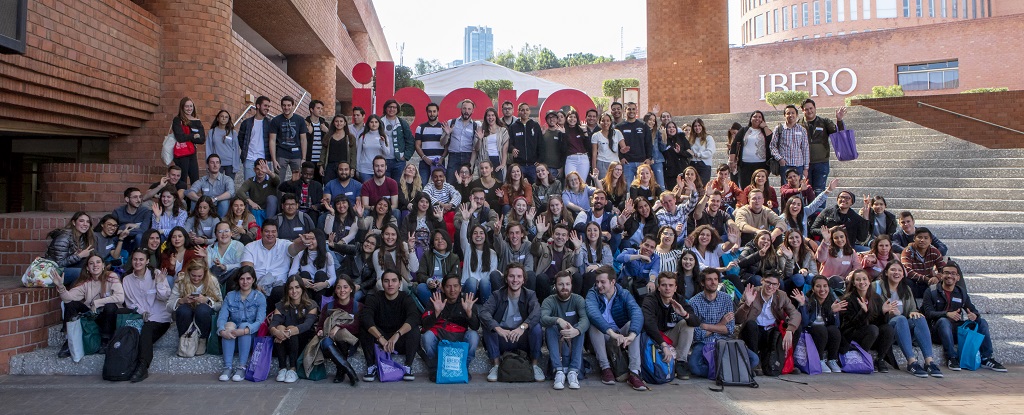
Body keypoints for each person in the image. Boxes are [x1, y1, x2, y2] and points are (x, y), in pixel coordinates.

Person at [921, 262, 1006, 372]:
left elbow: (972, 309)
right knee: (943, 321)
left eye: (953, 273)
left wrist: (974, 315)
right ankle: (951, 357)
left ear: (957, 277)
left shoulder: (961, 292)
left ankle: (986, 358)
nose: (949, 276)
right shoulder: (931, 291)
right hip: (937, 331)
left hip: (956, 330)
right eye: (946, 273)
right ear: (941, 275)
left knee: (981, 322)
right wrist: (946, 314)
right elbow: (928, 313)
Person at [872, 262, 942, 378]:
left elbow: (912, 309)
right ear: (886, 272)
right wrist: (885, 312)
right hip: (885, 328)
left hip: (903, 328)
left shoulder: (906, 289)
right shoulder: (876, 286)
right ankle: (911, 362)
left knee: (919, 318)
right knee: (900, 319)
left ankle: (929, 362)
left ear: (903, 274)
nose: (896, 273)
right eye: (893, 270)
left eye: (899, 270)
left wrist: (913, 312)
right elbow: (871, 312)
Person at [584, 265, 648, 391]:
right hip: (603, 336)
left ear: (612, 282)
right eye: (597, 282)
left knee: (633, 325)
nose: (599, 285)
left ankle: (634, 372)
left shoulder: (623, 293)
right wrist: (613, 334)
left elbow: (636, 312)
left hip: (620, 333)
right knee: (594, 324)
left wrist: (631, 335)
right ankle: (605, 368)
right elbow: (593, 313)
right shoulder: (592, 294)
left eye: (603, 282)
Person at [479, 263, 545, 382]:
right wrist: (497, 328)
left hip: (522, 337)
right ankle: (496, 365)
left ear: (524, 280)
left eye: (519, 276)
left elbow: (536, 313)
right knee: (488, 326)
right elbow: (484, 313)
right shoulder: (497, 295)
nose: (515, 280)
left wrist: (522, 327)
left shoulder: (530, 295)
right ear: (506, 278)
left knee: (536, 327)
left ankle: (535, 365)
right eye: (511, 276)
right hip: (503, 337)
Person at [688, 268, 758, 377]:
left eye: (716, 279)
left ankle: (720, 370)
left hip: (725, 341)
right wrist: (721, 325)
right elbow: (697, 334)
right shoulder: (694, 302)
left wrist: (705, 326)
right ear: (702, 283)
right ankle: (731, 370)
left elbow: (729, 329)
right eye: (709, 279)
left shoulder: (726, 299)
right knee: (694, 367)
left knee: (754, 359)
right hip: (703, 342)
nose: (713, 282)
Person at [53, 254, 123, 358]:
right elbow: (68, 298)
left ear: (103, 265)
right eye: (91, 263)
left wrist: (97, 302)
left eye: (98, 262)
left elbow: (120, 297)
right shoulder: (85, 282)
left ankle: (105, 340)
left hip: (109, 318)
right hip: (92, 316)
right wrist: (61, 287)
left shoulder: (111, 276)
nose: (95, 265)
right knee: (71, 304)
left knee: (110, 306)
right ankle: (69, 341)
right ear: (87, 268)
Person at [359, 269, 421, 381]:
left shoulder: (406, 298)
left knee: (414, 329)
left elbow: (414, 317)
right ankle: (371, 366)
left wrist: (397, 334)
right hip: (379, 341)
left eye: (394, 280)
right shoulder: (374, 298)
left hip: (398, 341)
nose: (390, 284)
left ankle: (408, 366)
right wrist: (380, 337)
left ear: (400, 283)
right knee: (364, 328)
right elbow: (366, 318)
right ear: (382, 283)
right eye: (386, 281)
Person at [121, 249, 172, 382]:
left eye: (141, 259)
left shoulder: (156, 274)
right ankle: (132, 368)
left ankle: (142, 367)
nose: (138, 262)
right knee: (137, 337)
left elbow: (165, 297)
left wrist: (160, 283)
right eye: (135, 259)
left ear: (147, 261)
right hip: (140, 318)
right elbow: (130, 303)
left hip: (160, 319)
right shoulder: (127, 279)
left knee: (146, 331)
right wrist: (141, 312)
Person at [735, 272, 801, 371]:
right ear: (762, 281)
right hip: (753, 332)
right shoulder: (751, 292)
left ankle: (784, 362)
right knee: (750, 325)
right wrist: (747, 304)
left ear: (778, 285)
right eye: (768, 282)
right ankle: (756, 363)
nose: (771, 287)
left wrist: (789, 330)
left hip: (771, 332)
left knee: (796, 327)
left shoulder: (781, 295)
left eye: (774, 284)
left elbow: (795, 314)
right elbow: (738, 319)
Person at [642, 272, 702, 380]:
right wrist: (663, 345)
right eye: (664, 285)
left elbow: (696, 322)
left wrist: (685, 314)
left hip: (670, 335)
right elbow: (649, 324)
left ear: (675, 288)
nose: (667, 288)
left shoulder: (679, 299)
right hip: (653, 336)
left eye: (671, 285)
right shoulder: (650, 300)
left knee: (687, 324)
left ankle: (680, 362)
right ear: (658, 287)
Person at [421, 274, 480, 382]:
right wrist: (436, 313)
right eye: (448, 286)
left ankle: (463, 368)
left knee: (474, 336)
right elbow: (425, 325)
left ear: (460, 287)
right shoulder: (436, 299)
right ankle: (436, 369)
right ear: (442, 288)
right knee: (427, 337)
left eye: (456, 286)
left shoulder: (466, 300)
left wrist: (469, 313)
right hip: (441, 336)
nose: (452, 290)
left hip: (460, 336)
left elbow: (475, 326)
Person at [216, 265, 266, 382]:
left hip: (250, 333)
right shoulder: (230, 296)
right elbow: (222, 317)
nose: (245, 282)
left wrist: (245, 331)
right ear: (238, 280)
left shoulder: (259, 297)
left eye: (248, 279)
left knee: (245, 325)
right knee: (228, 325)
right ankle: (227, 367)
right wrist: (222, 330)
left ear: (253, 280)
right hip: (233, 333)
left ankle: (242, 366)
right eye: (242, 279)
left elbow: (260, 321)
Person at [840, 269, 896, 373]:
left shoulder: (875, 298)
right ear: (853, 283)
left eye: (864, 279)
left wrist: (883, 312)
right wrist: (863, 312)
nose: (862, 282)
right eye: (858, 280)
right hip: (853, 334)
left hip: (871, 334)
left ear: (869, 281)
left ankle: (880, 359)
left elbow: (879, 322)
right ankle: (862, 357)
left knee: (887, 328)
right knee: (873, 329)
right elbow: (849, 324)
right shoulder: (848, 299)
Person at [541, 270, 590, 390]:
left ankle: (574, 371)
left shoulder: (578, 299)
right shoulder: (549, 300)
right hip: (556, 340)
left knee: (580, 328)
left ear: (571, 285)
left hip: (573, 341)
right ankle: (558, 371)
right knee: (550, 328)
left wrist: (576, 331)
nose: (564, 288)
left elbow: (585, 319)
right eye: (561, 284)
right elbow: (542, 318)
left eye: (567, 284)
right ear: (555, 286)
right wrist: (558, 320)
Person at [241, 220, 302, 311]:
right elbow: (247, 269)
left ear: (277, 233)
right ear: (261, 232)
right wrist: (254, 285)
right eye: (267, 231)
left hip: (279, 285)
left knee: (279, 291)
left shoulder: (284, 244)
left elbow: (295, 248)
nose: (270, 234)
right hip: (256, 284)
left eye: (273, 231)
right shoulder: (250, 247)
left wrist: (303, 243)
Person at [168, 258, 222, 357]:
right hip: (186, 313)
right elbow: (169, 306)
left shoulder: (212, 280)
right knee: (183, 309)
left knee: (202, 309)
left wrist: (207, 301)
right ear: (188, 272)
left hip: (203, 314)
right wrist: (182, 300)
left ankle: (202, 339)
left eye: (199, 276)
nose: (196, 279)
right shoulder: (181, 280)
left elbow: (220, 304)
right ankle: (184, 339)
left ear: (205, 273)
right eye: (193, 275)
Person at [269, 275, 318, 383]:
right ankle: (282, 368)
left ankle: (293, 368)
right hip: (284, 342)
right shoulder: (281, 305)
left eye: (297, 287)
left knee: (291, 329)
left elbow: (307, 325)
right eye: (291, 288)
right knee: (279, 327)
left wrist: (289, 332)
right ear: (287, 290)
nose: (294, 291)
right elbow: (273, 324)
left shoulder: (311, 304)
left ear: (302, 289)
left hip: (303, 341)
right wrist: (277, 332)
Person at [794, 275, 844, 373]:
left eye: (825, 286)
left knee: (834, 330)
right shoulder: (807, 300)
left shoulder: (832, 301)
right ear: (813, 289)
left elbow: (836, 325)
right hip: (811, 331)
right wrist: (802, 305)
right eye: (818, 286)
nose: (822, 289)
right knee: (820, 329)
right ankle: (820, 359)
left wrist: (833, 312)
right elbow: (804, 323)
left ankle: (832, 360)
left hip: (824, 334)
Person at [316, 275, 360, 385]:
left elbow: (358, 327)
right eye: (339, 287)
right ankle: (350, 372)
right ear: (335, 290)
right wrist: (320, 331)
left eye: (345, 287)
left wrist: (339, 326)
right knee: (325, 341)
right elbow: (320, 326)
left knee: (341, 337)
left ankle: (341, 371)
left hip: (350, 344)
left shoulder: (358, 306)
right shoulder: (328, 306)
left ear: (351, 289)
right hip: (330, 344)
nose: (342, 290)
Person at [800, 100, 846, 195]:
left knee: (819, 191)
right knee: (806, 192)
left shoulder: (824, 122)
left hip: (821, 163)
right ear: (802, 110)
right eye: (806, 109)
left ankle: (819, 210)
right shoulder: (798, 124)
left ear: (815, 108)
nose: (809, 111)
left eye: (811, 108)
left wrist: (839, 120)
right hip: (804, 165)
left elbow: (838, 134)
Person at [45, 212, 95, 286]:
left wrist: (78, 255)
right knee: (81, 272)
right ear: (74, 223)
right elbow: (59, 264)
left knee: (91, 266)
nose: (85, 224)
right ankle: (70, 296)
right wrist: (79, 256)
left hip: (67, 268)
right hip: (54, 271)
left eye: (88, 222)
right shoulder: (64, 238)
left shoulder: (81, 238)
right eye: (81, 221)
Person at [414, 229, 460, 308]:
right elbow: (420, 274)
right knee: (421, 287)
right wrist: (429, 281)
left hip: (446, 287)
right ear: (432, 243)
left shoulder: (454, 257)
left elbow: (455, 276)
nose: (440, 241)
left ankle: (446, 309)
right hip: (431, 288)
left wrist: (442, 282)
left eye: (442, 238)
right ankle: (433, 309)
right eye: (436, 239)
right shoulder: (427, 255)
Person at [289, 229, 336, 306]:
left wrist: (324, 284)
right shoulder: (301, 254)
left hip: (321, 287)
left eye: (313, 239)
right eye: (308, 239)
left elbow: (333, 277)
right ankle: (307, 306)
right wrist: (301, 280)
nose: (310, 241)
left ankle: (319, 308)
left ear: (319, 240)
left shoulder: (327, 256)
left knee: (320, 274)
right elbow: (291, 274)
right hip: (306, 288)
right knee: (304, 274)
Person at [269, 96, 309, 181]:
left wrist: (304, 158)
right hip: (281, 154)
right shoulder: (276, 120)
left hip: (296, 154)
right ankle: (279, 195)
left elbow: (303, 139)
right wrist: (274, 160)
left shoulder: (300, 120)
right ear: (281, 106)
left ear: (293, 106)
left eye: (288, 105)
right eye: (284, 105)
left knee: (298, 180)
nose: (286, 107)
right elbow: (272, 140)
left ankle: (296, 195)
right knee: (278, 181)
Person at [901, 227, 947, 299]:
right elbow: (907, 271)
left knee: (951, 275)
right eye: (919, 237)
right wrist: (925, 278)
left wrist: (937, 277)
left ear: (930, 240)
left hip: (929, 282)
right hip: (914, 283)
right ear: (914, 239)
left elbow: (943, 269)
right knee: (906, 282)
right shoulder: (907, 251)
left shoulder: (934, 251)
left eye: (926, 238)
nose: (922, 240)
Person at [730, 110, 773, 189]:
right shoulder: (743, 130)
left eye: (760, 117)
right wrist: (732, 161)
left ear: (763, 119)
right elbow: (734, 145)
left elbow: (771, 140)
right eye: (755, 116)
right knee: (746, 188)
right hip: (745, 165)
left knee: (761, 188)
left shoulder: (765, 131)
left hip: (761, 164)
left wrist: (765, 127)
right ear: (751, 119)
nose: (757, 118)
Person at [770, 105, 810, 186]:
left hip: (799, 165)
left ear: (797, 115)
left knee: (799, 189)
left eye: (793, 113)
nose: (790, 115)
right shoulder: (779, 129)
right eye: (788, 113)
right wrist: (780, 159)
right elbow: (772, 146)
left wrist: (806, 168)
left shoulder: (802, 130)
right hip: (785, 165)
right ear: (785, 115)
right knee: (786, 190)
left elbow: (805, 148)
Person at [493, 218, 536, 292]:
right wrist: (497, 233)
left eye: (517, 233)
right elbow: (498, 245)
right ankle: (501, 301)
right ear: (508, 235)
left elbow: (529, 267)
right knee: (494, 274)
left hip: (521, 281)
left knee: (531, 274)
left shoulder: (527, 245)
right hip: (505, 279)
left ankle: (528, 301)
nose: (514, 236)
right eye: (511, 233)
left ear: (522, 234)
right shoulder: (504, 245)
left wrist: (516, 277)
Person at [371, 224, 419, 291]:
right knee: (380, 283)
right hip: (387, 283)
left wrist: (410, 248)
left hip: (405, 283)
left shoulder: (404, 247)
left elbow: (414, 269)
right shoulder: (377, 253)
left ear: (397, 236)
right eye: (387, 234)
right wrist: (392, 281)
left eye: (393, 234)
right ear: (382, 235)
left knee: (398, 283)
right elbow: (380, 276)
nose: (390, 237)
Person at [170, 97, 206, 185]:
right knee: (182, 179)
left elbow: (202, 139)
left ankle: (192, 198)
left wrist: (188, 136)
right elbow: (180, 137)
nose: (189, 108)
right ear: (182, 107)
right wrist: (193, 136)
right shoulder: (177, 120)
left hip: (192, 153)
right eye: (186, 106)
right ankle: (181, 197)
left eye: (191, 106)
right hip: (181, 154)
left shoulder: (197, 121)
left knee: (195, 179)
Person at [615, 103, 651, 186]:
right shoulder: (619, 127)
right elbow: (616, 145)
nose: (631, 111)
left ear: (636, 110)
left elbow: (648, 143)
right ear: (625, 111)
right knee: (627, 187)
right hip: (627, 163)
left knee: (643, 186)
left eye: (633, 109)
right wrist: (621, 158)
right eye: (629, 109)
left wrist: (649, 158)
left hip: (642, 162)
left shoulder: (643, 125)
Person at [444, 99, 479, 183]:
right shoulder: (451, 122)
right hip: (453, 156)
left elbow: (476, 148)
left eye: (469, 109)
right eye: (464, 108)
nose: (466, 111)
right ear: (461, 109)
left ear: (472, 111)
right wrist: (446, 134)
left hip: (468, 156)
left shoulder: (476, 125)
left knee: (466, 184)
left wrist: (471, 164)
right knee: (450, 182)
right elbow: (443, 143)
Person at [339, 233, 381, 303]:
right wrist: (334, 245)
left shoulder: (376, 260)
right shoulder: (356, 252)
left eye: (372, 244)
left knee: (352, 297)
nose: (368, 244)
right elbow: (346, 248)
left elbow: (372, 280)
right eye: (367, 241)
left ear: (376, 247)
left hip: (362, 288)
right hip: (348, 283)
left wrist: (359, 286)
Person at [238, 96, 272, 180]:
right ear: (258, 106)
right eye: (265, 106)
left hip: (265, 160)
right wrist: (247, 150)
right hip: (249, 159)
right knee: (249, 187)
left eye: (268, 106)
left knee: (265, 188)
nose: (267, 108)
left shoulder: (270, 124)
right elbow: (241, 139)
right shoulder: (246, 123)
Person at [616, 235, 659, 301]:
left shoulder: (655, 258)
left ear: (654, 249)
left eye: (652, 247)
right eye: (646, 245)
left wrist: (651, 281)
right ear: (640, 244)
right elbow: (619, 258)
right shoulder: (631, 251)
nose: (648, 249)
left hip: (640, 289)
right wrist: (639, 256)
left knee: (650, 290)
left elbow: (654, 271)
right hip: (625, 285)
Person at [380, 100, 415, 182]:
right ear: (385, 108)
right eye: (389, 107)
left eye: (394, 107)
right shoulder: (379, 122)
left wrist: (405, 156)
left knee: (398, 186)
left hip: (398, 161)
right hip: (382, 160)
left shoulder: (402, 123)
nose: (392, 109)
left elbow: (410, 141)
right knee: (383, 185)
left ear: (397, 109)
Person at [415, 102, 450, 183]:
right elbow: (417, 145)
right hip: (424, 163)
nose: (432, 114)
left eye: (434, 111)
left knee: (439, 186)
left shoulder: (443, 128)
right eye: (430, 111)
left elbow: (447, 146)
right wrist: (425, 158)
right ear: (427, 112)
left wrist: (442, 158)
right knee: (422, 185)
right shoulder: (420, 128)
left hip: (439, 162)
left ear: (438, 112)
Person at [508, 102, 543, 182]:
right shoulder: (513, 127)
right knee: (518, 187)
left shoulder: (535, 125)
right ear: (519, 112)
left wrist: (540, 159)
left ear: (529, 111)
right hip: (519, 165)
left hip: (533, 165)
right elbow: (509, 144)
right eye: (522, 110)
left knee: (534, 188)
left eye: (527, 110)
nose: (525, 112)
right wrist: (512, 149)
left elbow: (540, 144)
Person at [111, 187, 152, 252]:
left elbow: (144, 230)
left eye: (140, 197)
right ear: (127, 199)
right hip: (121, 240)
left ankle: (140, 259)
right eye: (135, 197)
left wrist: (123, 229)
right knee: (112, 239)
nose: (139, 200)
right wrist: (128, 225)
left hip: (137, 242)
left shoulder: (145, 211)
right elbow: (114, 230)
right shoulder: (118, 212)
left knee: (139, 236)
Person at [320, 115, 358, 184]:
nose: (339, 123)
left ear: (345, 123)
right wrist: (321, 165)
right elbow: (323, 152)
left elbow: (353, 154)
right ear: (334, 123)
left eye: (341, 121)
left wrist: (352, 168)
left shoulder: (350, 137)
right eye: (336, 121)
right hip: (330, 167)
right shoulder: (328, 136)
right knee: (329, 186)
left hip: (344, 167)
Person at [355, 116, 393, 181]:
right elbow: (358, 154)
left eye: (376, 122)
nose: (374, 124)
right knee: (367, 190)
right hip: (364, 169)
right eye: (371, 122)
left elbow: (387, 153)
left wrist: (382, 143)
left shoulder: (384, 136)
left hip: (379, 169)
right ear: (368, 124)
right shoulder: (363, 136)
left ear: (379, 123)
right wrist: (357, 169)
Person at [207, 221, 245, 287]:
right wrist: (205, 257)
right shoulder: (210, 248)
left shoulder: (238, 245)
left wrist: (225, 267)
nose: (224, 234)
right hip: (214, 278)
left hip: (232, 279)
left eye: (226, 231)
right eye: (220, 232)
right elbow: (208, 268)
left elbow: (241, 264)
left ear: (231, 233)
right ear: (216, 234)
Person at [207, 109, 240, 179]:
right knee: (216, 186)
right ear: (218, 118)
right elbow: (208, 148)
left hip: (230, 164)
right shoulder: (212, 132)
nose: (224, 118)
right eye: (222, 116)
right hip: (216, 164)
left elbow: (236, 149)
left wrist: (236, 165)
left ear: (228, 119)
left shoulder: (233, 132)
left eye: (226, 117)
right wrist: (209, 164)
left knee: (229, 186)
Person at [591, 113, 622, 179]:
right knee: (603, 185)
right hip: (602, 163)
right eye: (603, 121)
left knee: (616, 184)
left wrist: (624, 150)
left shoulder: (617, 133)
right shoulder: (596, 135)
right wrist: (594, 168)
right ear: (599, 122)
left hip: (615, 163)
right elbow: (594, 153)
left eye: (608, 120)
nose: (605, 123)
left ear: (611, 122)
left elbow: (623, 146)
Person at [562, 110, 592, 180]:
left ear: (577, 119)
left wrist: (585, 131)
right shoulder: (563, 130)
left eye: (574, 117)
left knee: (581, 183)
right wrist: (563, 134)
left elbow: (588, 147)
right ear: (567, 118)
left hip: (583, 158)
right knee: (570, 181)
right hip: (570, 159)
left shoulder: (581, 129)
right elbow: (562, 148)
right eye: (570, 117)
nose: (572, 119)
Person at [661, 121, 692, 186]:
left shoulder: (681, 138)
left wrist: (680, 152)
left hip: (682, 169)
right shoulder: (664, 140)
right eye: (669, 127)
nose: (671, 129)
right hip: (670, 171)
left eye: (673, 127)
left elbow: (690, 153)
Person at [539, 111, 566, 179]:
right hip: (544, 169)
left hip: (557, 169)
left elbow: (564, 151)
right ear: (546, 120)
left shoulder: (561, 133)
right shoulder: (543, 133)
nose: (551, 119)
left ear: (557, 119)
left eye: (553, 117)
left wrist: (562, 167)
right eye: (549, 117)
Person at [687, 118, 715, 184]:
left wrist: (698, 154)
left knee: (702, 185)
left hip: (704, 164)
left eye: (699, 125)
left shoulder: (708, 137)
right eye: (695, 126)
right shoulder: (691, 139)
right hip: (693, 164)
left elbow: (710, 151)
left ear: (702, 126)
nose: (697, 128)